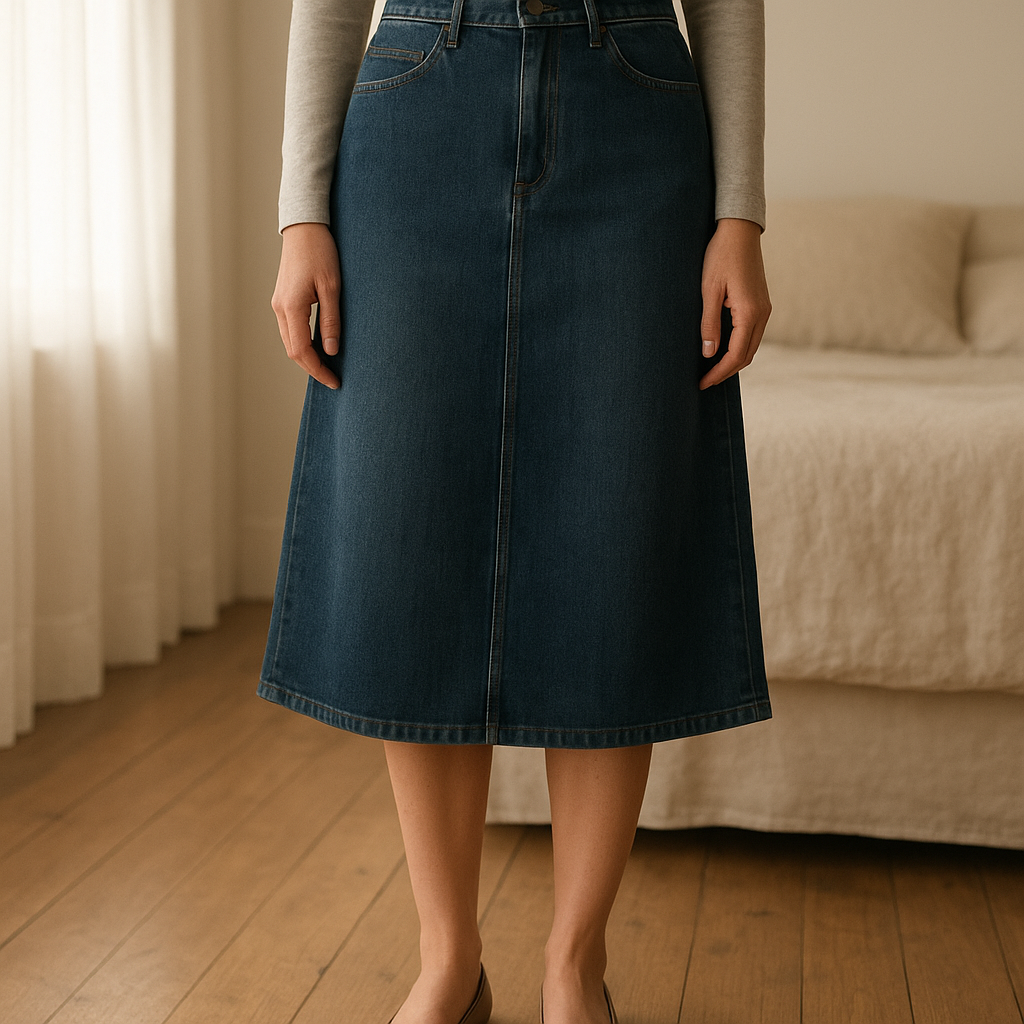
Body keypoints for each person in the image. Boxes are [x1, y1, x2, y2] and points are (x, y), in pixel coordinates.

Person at [263, 1, 772, 1022]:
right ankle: (449, 962)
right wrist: (300, 211)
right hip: (418, 104)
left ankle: (574, 966)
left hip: (634, 107)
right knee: (412, 539)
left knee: (614, 530)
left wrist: (741, 213)